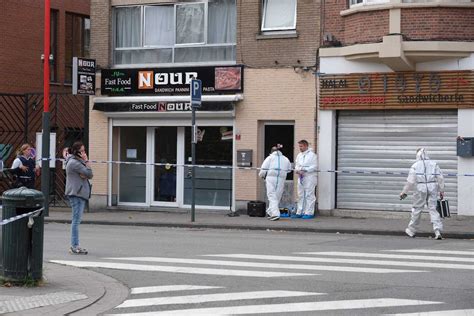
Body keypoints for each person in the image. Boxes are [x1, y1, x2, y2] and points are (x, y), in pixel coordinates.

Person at [400, 148, 445, 240]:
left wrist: (404, 192)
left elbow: (410, 182)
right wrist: (442, 190)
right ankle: (437, 231)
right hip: (432, 187)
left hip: (420, 188)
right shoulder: (434, 164)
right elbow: (440, 178)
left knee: (417, 209)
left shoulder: (415, 166)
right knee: (433, 209)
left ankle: (411, 230)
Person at [65, 141, 93, 254]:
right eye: (82, 151)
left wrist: (84, 173)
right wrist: (86, 161)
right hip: (76, 194)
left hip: (79, 193)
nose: (84, 152)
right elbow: (90, 174)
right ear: (77, 152)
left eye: (84, 150)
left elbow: (87, 174)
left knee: (77, 220)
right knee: (76, 221)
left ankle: (75, 245)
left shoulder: (76, 161)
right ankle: (74, 246)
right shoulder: (74, 163)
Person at [259, 144, 291, 221]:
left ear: (271, 151)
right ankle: (270, 212)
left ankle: (275, 214)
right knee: (277, 196)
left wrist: (261, 175)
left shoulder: (270, 158)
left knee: (271, 195)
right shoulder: (286, 159)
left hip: (271, 178)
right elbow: (289, 170)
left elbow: (263, 168)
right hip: (281, 179)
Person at [293, 140, 318, 219]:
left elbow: (314, 166)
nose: (300, 148)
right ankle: (300, 211)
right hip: (301, 177)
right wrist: (298, 170)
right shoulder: (299, 155)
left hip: (309, 177)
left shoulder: (312, 155)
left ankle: (309, 212)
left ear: (306, 146)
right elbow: (297, 165)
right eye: (299, 146)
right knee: (300, 194)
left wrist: (305, 170)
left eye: (301, 146)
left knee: (309, 194)